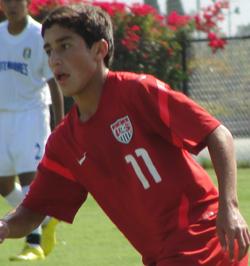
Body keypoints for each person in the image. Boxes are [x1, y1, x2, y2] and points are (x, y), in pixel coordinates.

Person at [0, 4, 249, 266]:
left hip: (202, 240)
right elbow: (32, 210)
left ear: (99, 50)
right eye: (49, 50)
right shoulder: (64, 143)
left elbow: (217, 133)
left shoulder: (137, 92)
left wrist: (229, 207)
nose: (54, 60)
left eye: (64, 46)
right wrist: (5, 224)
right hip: (162, 256)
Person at [0, 0, 64, 261]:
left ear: (27, 3)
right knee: (3, 183)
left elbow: (53, 82)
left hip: (31, 115)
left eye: (18, 0)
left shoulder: (38, 36)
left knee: (29, 179)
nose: (13, 6)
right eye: (7, 1)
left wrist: (60, 125)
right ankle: (44, 218)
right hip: (3, 117)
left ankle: (34, 243)